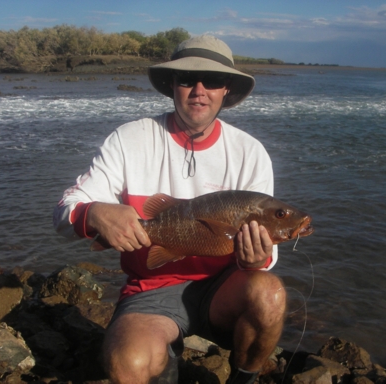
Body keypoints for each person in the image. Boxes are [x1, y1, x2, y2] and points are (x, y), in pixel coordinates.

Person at [53, 35, 286, 384]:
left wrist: (257, 260)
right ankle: (164, 363)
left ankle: (243, 378)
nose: (199, 90)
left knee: (269, 294)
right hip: (151, 288)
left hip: (222, 288)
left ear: (227, 90)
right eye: (187, 79)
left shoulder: (250, 153)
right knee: (128, 364)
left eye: (213, 80)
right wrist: (96, 213)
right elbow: (63, 212)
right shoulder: (130, 139)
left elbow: (267, 259)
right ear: (172, 86)